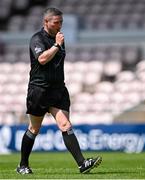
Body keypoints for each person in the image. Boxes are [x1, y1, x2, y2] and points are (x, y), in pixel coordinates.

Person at [16, 7, 102, 175]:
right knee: (34, 129)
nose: (59, 26)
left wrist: (58, 43)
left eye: (61, 22)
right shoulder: (37, 39)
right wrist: (57, 45)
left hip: (58, 90)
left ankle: (82, 164)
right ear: (46, 22)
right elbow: (41, 59)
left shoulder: (59, 38)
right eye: (56, 23)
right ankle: (22, 165)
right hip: (39, 90)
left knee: (65, 125)